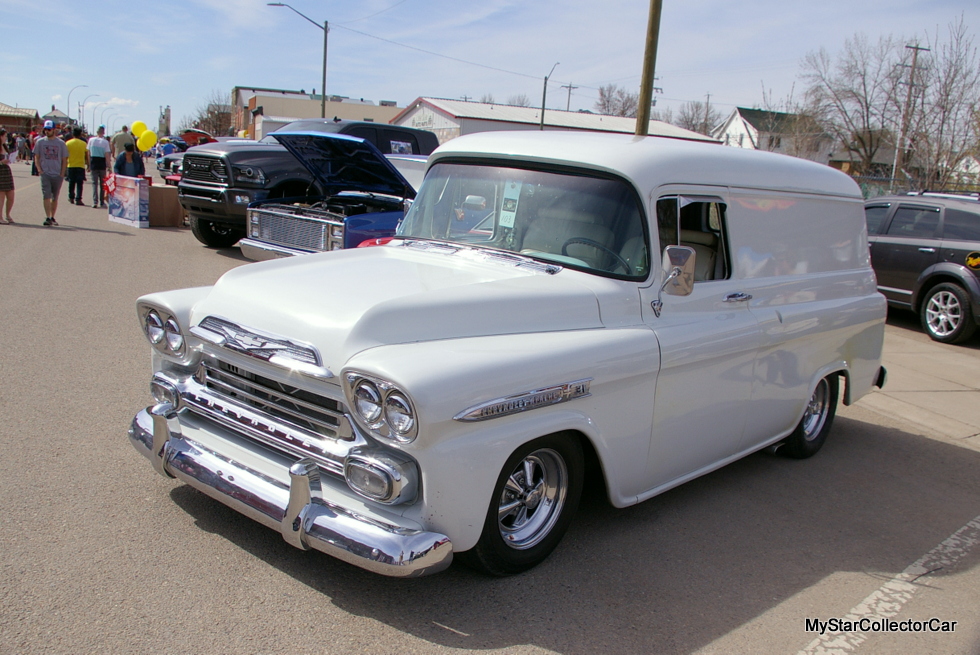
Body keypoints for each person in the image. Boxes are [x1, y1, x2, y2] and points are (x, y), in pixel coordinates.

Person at [33, 120, 69, 226]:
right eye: (45, 129)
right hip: (46, 173)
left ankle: (53, 216)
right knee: (46, 195)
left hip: (57, 174)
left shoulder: (61, 143)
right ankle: (47, 217)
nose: (47, 131)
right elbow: (37, 157)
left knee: (55, 197)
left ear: (54, 130)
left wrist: (62, 173)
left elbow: (64, 159)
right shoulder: (40, 142)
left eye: (49, 129)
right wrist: (40, 170)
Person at [87, 125, 111, 208]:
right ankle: (102, 201)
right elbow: (107, 155)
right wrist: (109, 166)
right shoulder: (105, 142)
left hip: (93, 162)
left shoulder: (91, 140)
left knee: (94, 183)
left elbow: (88, 153)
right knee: (102, 184)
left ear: (97, 132)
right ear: (103, 132)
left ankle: (95, 202)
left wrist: (89, 164)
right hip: (102, 163)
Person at [65, 127, 89, 206]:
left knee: (71, 182)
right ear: (80, 134)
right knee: (79, 183)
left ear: (73, 134)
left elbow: (65, 155)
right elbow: (87, 155)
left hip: (71, 165)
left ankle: (71, 197)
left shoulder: (68, 143)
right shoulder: (84, 143)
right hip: (80, 166)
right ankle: (78, 199)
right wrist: (88, 164)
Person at [0, 128, 15, 223]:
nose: (6, 138)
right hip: (0, 171)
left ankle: (8, 214)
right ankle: (0, 217)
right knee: (1, 196)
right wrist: (1, 162)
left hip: (6, 171)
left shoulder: (5, 146)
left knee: (11, 195)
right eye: (5, 136)